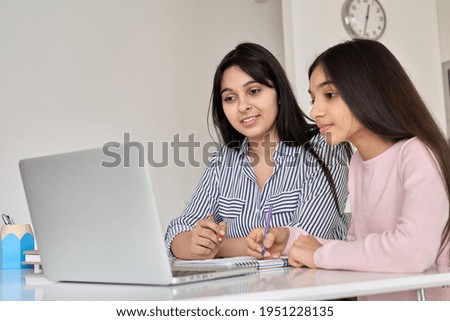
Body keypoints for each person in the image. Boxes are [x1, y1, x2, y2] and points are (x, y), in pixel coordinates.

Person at [246, 39, 450, 300]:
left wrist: (318, 254)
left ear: (368, 91)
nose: (315, 110)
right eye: (313, 98)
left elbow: (413, 252)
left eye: (329, 95)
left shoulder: (418, 154)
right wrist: (290, 240)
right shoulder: (357, 163)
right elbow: (356, 249)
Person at [165, 42, 352, 260]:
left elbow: (306, 240)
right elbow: (176, 234)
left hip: (310, 289)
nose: (242, 106)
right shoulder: (222, 162)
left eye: (254, 91)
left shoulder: (325, 147)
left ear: (279, 94)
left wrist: (220, 247)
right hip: (243, 291)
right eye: (230, 98)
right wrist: (197, 243)